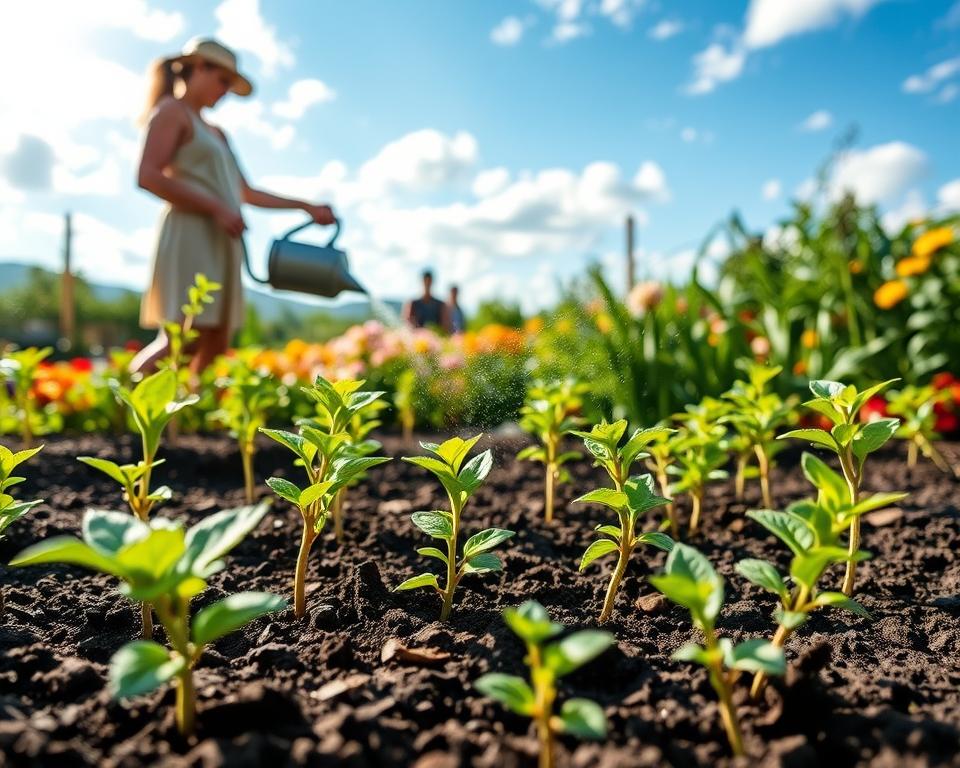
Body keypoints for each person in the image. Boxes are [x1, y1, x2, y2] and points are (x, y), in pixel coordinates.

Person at [130, 38, 336, 377]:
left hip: (220, 239)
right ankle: (125, 411)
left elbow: (245, 192)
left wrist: (304, 206)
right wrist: (213, 207)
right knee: (181, 336)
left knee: (214, 337)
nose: (225, 91)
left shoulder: (217, 133)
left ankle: (189, 421)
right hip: (190, 235)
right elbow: (148, 175)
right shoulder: (171, 112)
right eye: (222, 81)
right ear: (199, 68)